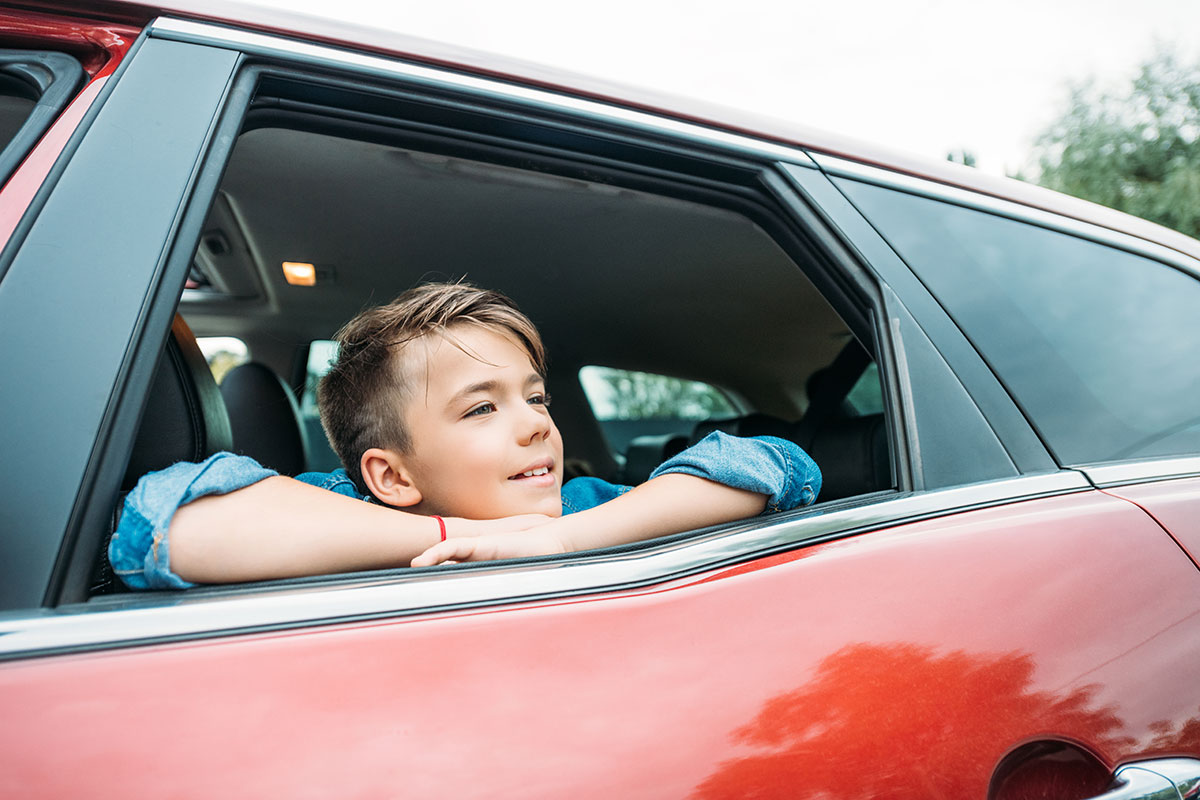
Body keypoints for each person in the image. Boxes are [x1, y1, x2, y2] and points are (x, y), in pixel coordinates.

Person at [110, 282, 821, 590]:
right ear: (391, 478)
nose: (538, 422)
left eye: (535, 397)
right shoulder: (335, 513)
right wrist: (444, 535)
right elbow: (160, 526)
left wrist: (568, 539)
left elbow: (774, 464)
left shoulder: (585, 506)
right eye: (481, 409)